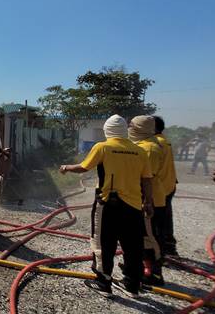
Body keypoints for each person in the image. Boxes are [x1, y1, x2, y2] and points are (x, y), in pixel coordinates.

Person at [60, 114, 154, 298]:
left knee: (103, 242)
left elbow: (84, 167)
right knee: (133, 245)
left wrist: (66, 167)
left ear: (107, 130)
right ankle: (132, 285)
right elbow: (147, 179)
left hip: (108, 205)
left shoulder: (103, 147)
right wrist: (148, 202)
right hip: (134, 206)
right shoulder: (139, 150)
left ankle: (103, 283)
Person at [129, 116, 165, 285]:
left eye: (132, 126)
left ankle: (154, 273)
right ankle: (141, 267)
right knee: (140, 236)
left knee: (149, 237)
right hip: (142, 198)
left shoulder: (149, 149)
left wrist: (147, 201)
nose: (129, 128)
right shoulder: (145, 145)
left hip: (148, 200)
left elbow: (146, 178)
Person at [153, 116, 179, 256]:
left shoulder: (155, 143)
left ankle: (158, 251)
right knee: (166, 216)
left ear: (154, 128)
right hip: (169, 184)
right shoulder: (165, 140)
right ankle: (169, 246)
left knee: (156, 220)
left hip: (160, 187)